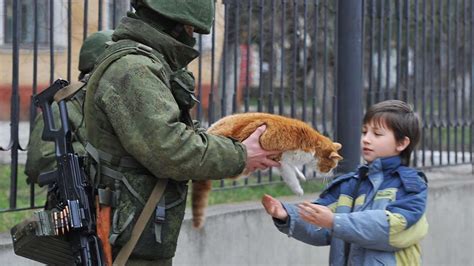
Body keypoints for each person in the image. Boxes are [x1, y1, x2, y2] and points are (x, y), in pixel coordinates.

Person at [83, 0, 280, 265]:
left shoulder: (144, 63)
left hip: (136, 233)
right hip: (126, 242)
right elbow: (170, 150)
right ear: (178, 25)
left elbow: (175, 134)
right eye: (191, 29)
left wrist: (236, 144)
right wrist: (241, 155)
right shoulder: (134, 69)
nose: (192, 38)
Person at [262, 100, 429, 266]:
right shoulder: (349, 185)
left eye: (377, 134)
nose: (366, 139)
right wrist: (287, 215)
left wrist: (336, 221)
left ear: (402, 143)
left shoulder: (410, 186)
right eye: (364, 132)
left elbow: (393, 229)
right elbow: (320, 222)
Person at [24, 30, 113, 185]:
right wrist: (86, 161)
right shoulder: (62, 109)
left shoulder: (119, 107)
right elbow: (37, 164)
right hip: (76, 202)